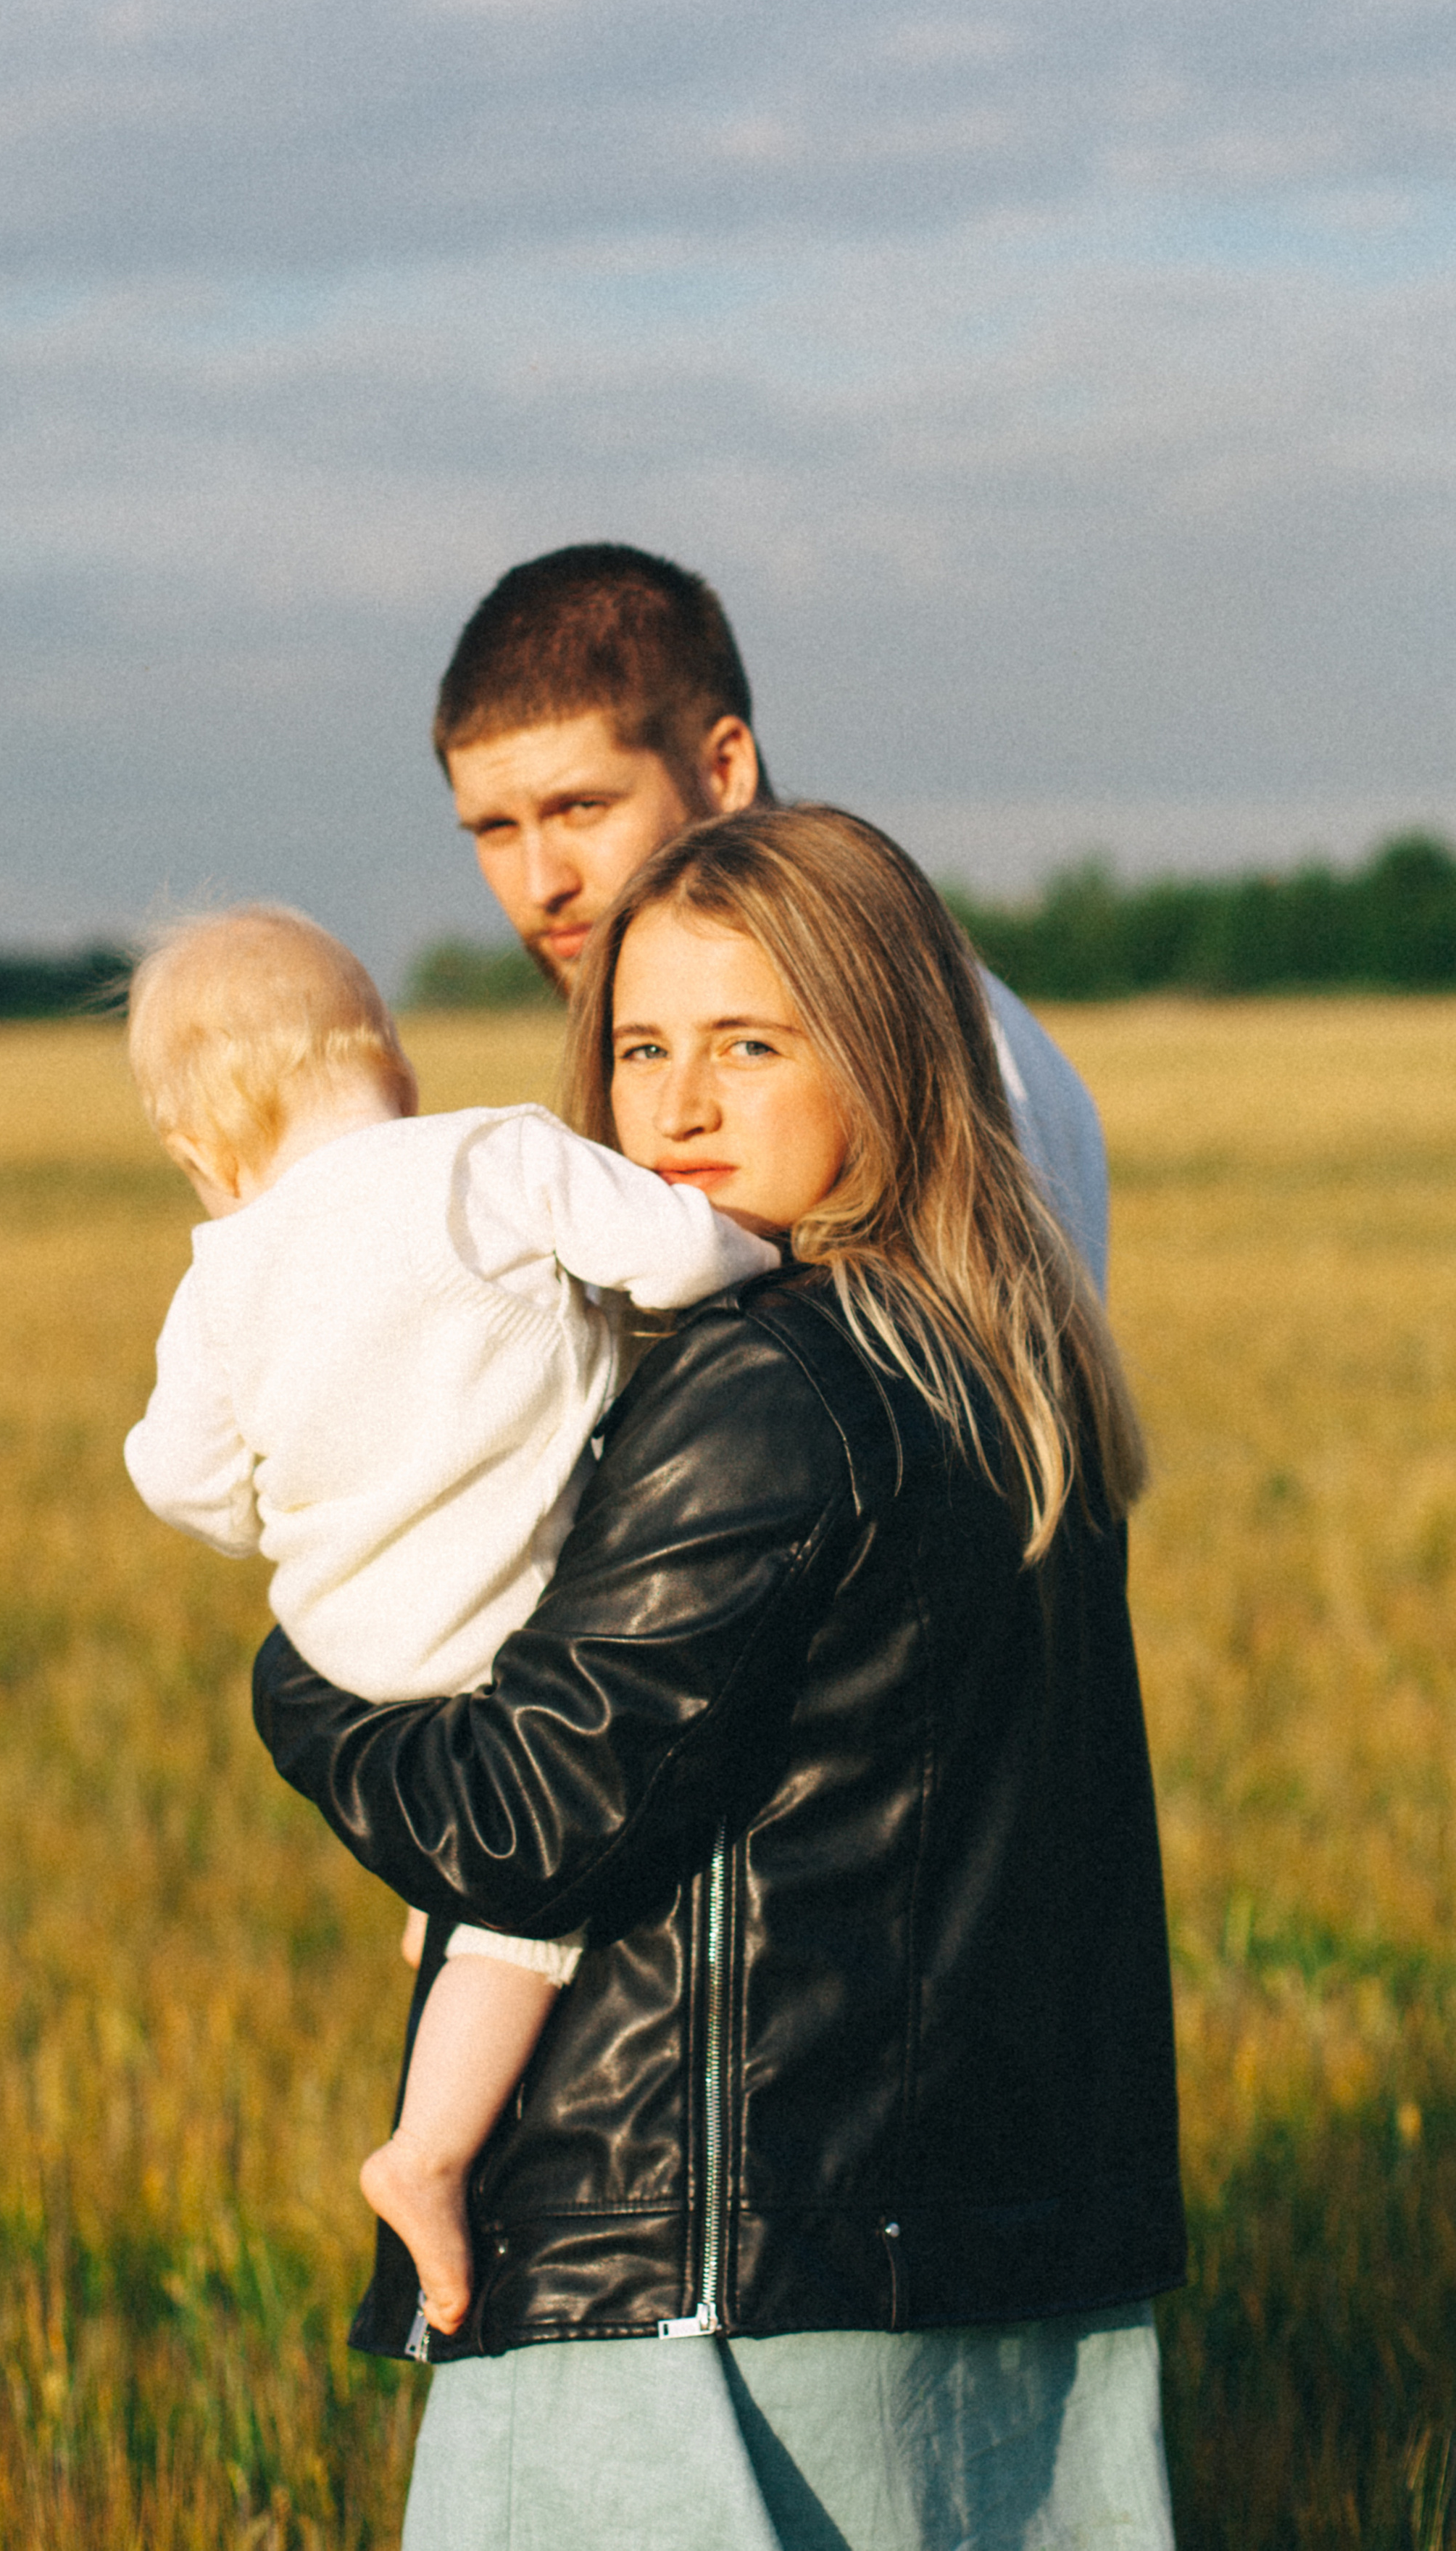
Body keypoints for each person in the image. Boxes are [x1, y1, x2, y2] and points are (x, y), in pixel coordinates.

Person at [255, 806, 1184, 2549]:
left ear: (894, 1059)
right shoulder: (1015, 1362)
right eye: (636, 1048)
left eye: (747, 1044)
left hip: (690, 2284)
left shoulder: (766, 1383)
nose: (673, 1106)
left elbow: (525, 1819)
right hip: (985, 2286)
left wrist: (301, 1669)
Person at [120, 904, 777, 2339]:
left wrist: (283, 1520)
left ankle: (433, 1908)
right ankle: (424, 2152)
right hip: (492, 1638)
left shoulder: (222, 1269)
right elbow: (681, 1255)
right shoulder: (492, 1156)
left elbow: (172, 1473)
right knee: (528, 1908)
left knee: (461, 1857)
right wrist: (759, 1277)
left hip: (343, 1646)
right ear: (389, 1059)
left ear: (202, 1157)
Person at [434, 542, 1112, 1292]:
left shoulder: (945, 1048)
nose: (540, 883)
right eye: (495, 829)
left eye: (583, 808)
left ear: (723, 769)